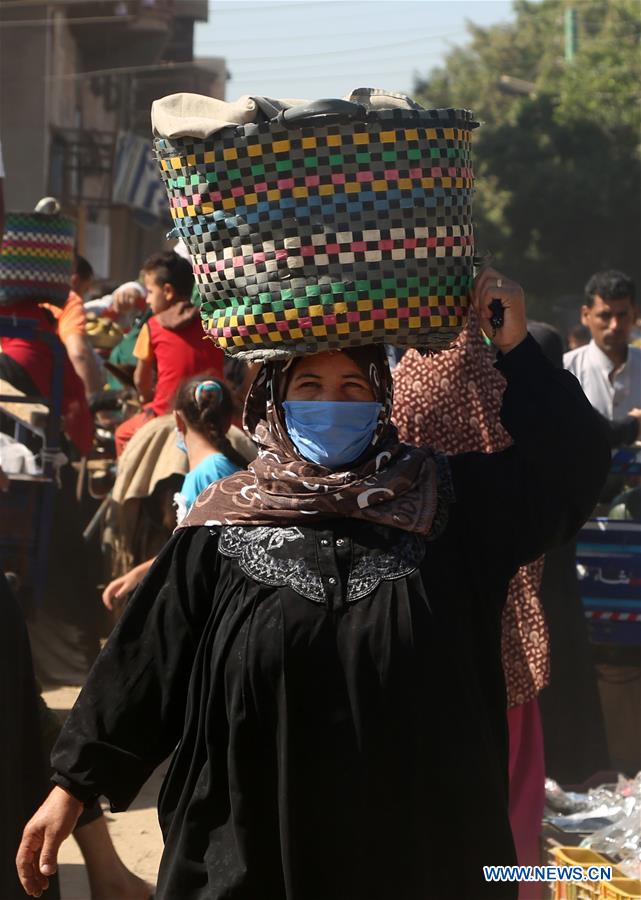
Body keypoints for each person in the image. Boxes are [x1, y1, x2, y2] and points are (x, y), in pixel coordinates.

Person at [17, 270, 610, 900]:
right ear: (276, 398)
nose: (334, 402)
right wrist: (71, 789)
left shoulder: (451, 505)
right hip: (250, 854)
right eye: (312, 386)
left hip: (420, 853)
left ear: (382, 398)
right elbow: (144, 662)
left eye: (353, 386)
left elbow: (569, 469)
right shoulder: (225, 519)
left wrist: (514, 348)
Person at [102, 376, 246, 609]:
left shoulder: (210, 472)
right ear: (229, 423)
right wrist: (140, 573)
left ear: (177, 420)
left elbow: (205, 553)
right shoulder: (210, 470)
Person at [114, 251, 223, 455]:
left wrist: (146, 397)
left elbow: (141, 380)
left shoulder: (152, 327)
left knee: (122, 434)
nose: (147, 300)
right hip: (213, 411)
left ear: (167, 291)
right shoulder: (211, 324)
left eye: (150, 292)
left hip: (165, 415)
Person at [564, 270, 641, 448]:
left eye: (622, 315)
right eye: (605, 316)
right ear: (585, 315)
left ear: (634, 315)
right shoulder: (565, 370)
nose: (615, 325)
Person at [41, 255, 105, 398]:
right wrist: (95, 401)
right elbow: (79, 353)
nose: (84, 296)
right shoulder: (70, 300)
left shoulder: (35, 296)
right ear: (75, 280)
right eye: (85, 289)